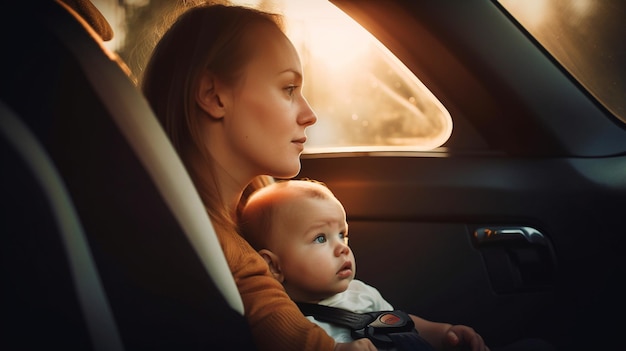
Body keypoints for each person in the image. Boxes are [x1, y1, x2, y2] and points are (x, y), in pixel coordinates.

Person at [140, 3, 375, 351]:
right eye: (288, 89)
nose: (309, 114)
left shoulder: (253, 205)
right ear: (213, 95)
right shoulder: (220, 245)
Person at [239, 179, 490, 351]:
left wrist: (446, 334)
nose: (342, 248)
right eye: (320, 238)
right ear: (274, 266)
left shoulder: (359, 292)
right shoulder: (289, 326)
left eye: (342, 234)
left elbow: (399, 323)